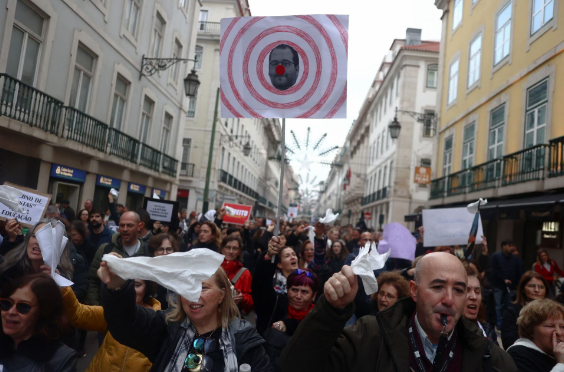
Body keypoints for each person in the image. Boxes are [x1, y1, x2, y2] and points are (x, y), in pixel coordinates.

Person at [280, 252, 517, 372]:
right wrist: (331, 311)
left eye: (458, 290)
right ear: (414, 290)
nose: (448, 299)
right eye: (437, 286)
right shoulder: (369, 337)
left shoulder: (489, 358)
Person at [98, 261, 271, 372]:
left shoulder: (245, 341)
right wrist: (117, 287)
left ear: (221, 295)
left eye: (203, 287)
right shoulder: (167, 327)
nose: (193, 295)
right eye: (188, 287)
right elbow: (125, 322)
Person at [60, 278, 159, 372]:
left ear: (147, 288)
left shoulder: (159, 324)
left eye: (137, 285)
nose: (130, 290)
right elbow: (78, 314)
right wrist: (61, 283)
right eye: (126, 285)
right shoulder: (115, 312)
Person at [0, 273, 77, 370]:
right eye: (6, 303)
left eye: (23, 306)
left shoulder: (61, 359)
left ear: (43, 312)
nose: (11, 312)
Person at [86, 211, 149, 306]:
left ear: (139, 226)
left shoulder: (147, 252)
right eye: (122, 225)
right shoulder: (105, 249)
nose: (125, 229)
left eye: (130, 225)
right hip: (107, 310)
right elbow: (93, 280)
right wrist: (96, 305)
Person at [0, 219, 75, 290]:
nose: (38, 242)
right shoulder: (8, 269)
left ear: (59, 246)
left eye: (46, 238)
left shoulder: (64, 280)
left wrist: (54, 287)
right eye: (35, 236)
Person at [252, 243, 298, 335]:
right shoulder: (272, 287)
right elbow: (260, 283)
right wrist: (269, 256)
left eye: (294, 254)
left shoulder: (305, 282)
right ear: (279, 264)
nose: (292, 257)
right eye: (287, 256)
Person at [507, 299, 564, 372]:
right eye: (550, 326)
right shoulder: (518, 354)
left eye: (563, 327)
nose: (559, 332)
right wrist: (561, 365)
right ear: (530, 329)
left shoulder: (556, 352)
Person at [502, 270, 550, 349]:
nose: (537, 290)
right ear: (523, 289)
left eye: (541, 287)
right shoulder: (511, 311)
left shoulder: (552, 312)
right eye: (532, 286)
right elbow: (508, 342)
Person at [490, 240, 523, 329]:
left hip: (510, 287)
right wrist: (503, 279)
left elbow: (516, 271)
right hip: (498, 285)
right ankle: (499, 324)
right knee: (498, 306)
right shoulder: (496, 256)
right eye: (509, 245)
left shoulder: (514, 258)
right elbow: (494, 271)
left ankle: (505, 323)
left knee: (507, 305)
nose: (511, 247)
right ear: (503, 246)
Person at [463, 266, 498, 345]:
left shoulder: (487, 331)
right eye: (467, 290)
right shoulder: (444, 332)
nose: (474, 297)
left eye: (477, 291)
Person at [220, 235, 254, 314]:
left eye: (235, 248)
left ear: (239, 252)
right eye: (228, 247)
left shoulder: (245, 273)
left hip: (232, 316)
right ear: (222, 249)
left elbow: (252, 301)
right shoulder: (213, 268)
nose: (231, 251)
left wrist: (243, 298)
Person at [148, 233, 180, 310]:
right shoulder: (146, 274)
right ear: (154, 252)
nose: (165, 253)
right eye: (160, 249)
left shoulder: (180, 274)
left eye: (169, 249)